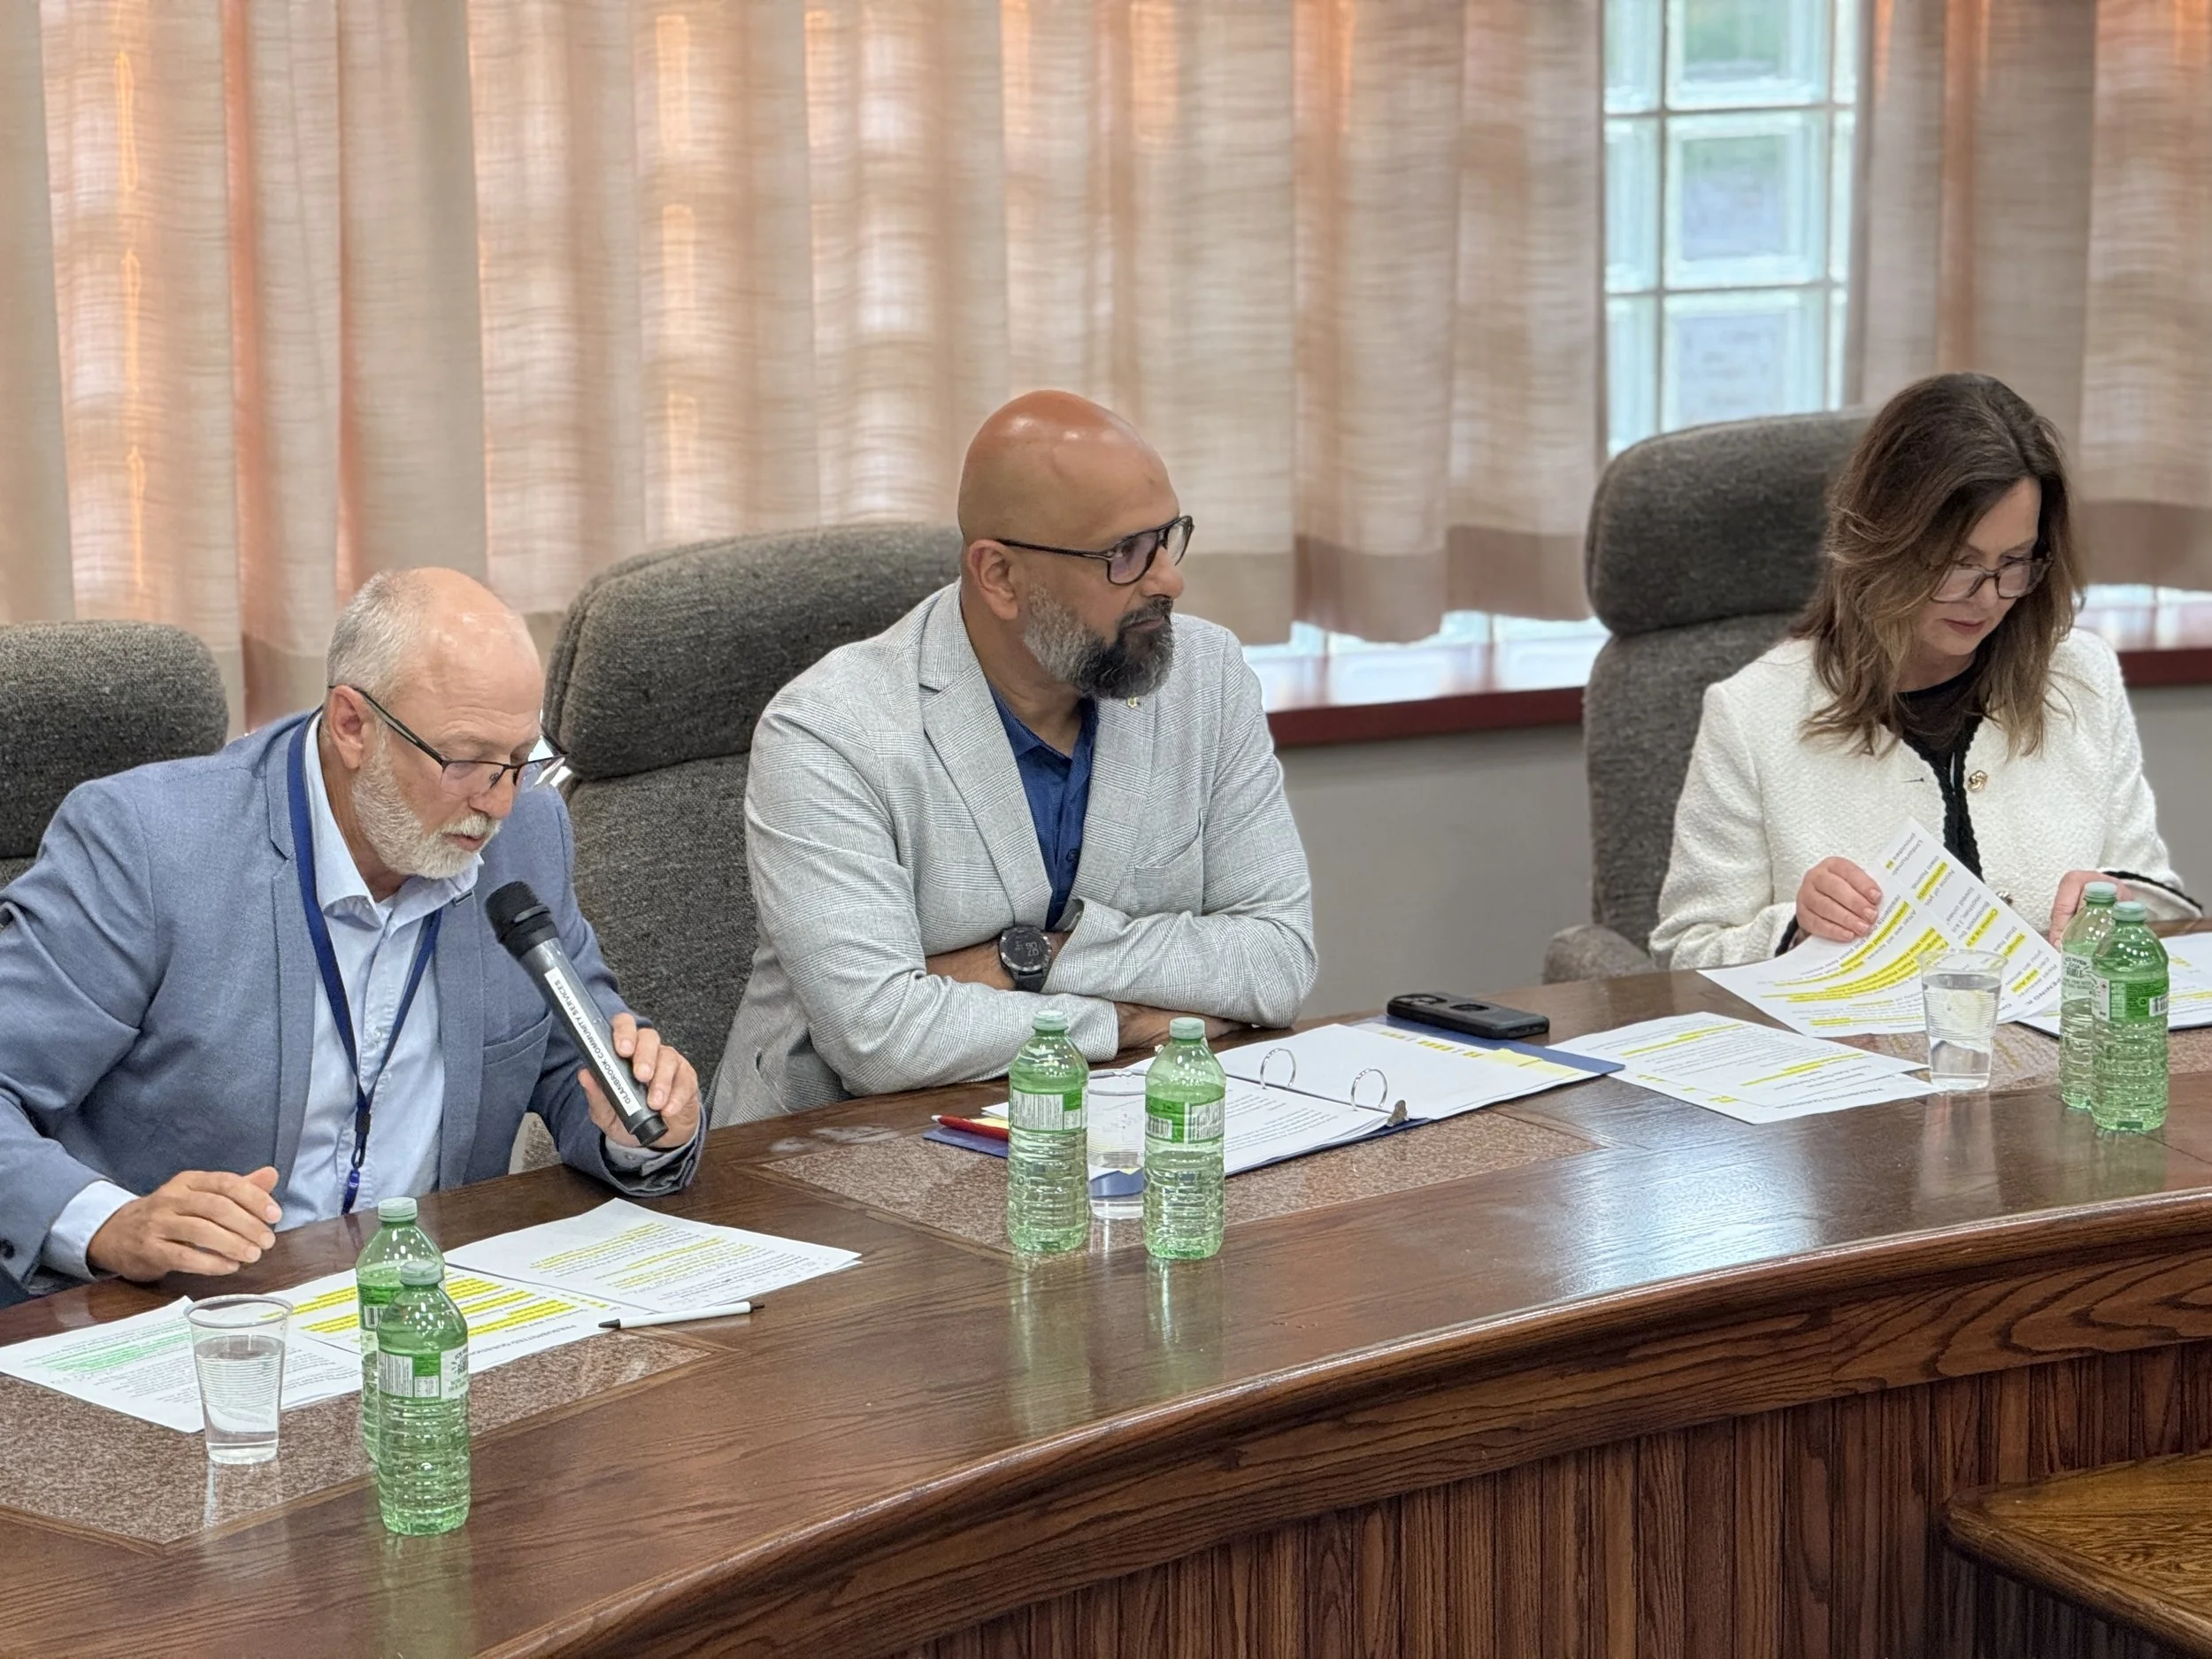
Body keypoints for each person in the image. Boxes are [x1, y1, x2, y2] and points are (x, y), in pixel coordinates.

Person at [0, 569, 704, 1303]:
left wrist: (645, 1126)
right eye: (465, 760)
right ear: (352, 725)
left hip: (428, 1312)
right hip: (192, 1319)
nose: (496, 801)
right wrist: (109, 1222)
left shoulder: (526, 835)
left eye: (521, 759)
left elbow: (580, 1067)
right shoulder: (149, 845)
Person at [715, 390, 1317, 1119]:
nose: (1169, 578)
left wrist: (1026, 961)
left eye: (1169, 536)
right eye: (1124, 553)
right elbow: (878, 1037)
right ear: (999, 575)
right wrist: (1120, 1021)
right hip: (841, 1153)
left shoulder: (1205, 678)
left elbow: (1279, 958)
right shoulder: (829, 731)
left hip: (1120, 1128)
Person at [1651, 372, 2197, 971]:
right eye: (1958, 563)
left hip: (2058, 1053)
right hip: (1859, 1056)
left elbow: (2160, 904)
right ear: (1881, 541)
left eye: (2013, 562)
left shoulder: (2081, 678)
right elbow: (1686, 953)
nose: (1987, 598)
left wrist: (2121, 907)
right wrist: (1796, 933)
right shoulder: (1753, 714)